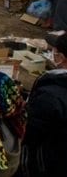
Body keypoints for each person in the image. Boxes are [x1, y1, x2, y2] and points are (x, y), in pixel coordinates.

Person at [18, 31, 67, 177]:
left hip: (44, 165)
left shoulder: (51, 96)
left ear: (61, 57)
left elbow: (27, 133)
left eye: (54, 50)